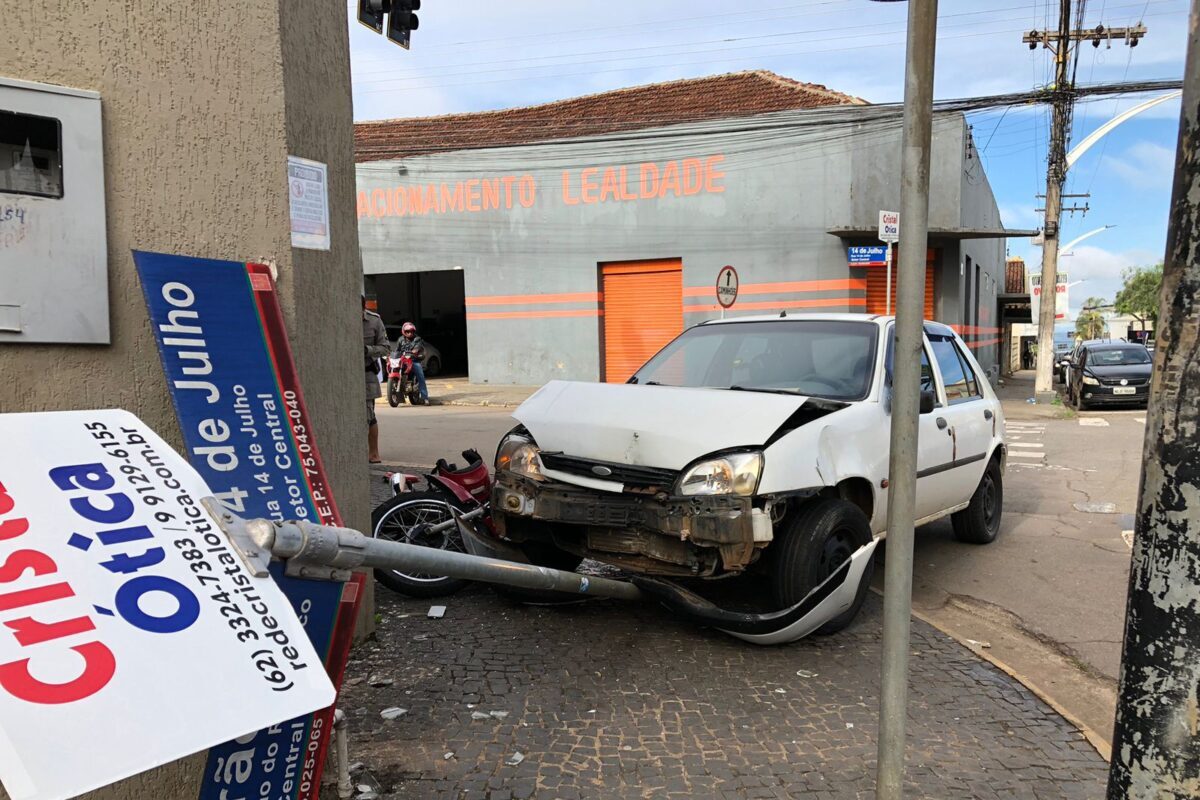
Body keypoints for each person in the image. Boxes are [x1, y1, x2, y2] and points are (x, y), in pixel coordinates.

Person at [363, 296, 390, 464]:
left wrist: (367, 350)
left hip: (367, 375)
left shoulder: (374, 321)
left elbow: (385, 348)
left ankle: (374, 453)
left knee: (368, 415)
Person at [396, 321, 430, 404]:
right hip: (403, 361)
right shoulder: (400, 339)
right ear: (404, 332)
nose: (410, 333)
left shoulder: (417, 339)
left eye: (411, 331)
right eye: (407, 331)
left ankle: (425, 397)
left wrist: (415, 351)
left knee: (420, 375)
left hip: (413, 360)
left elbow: (417, 347)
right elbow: (397, 350)